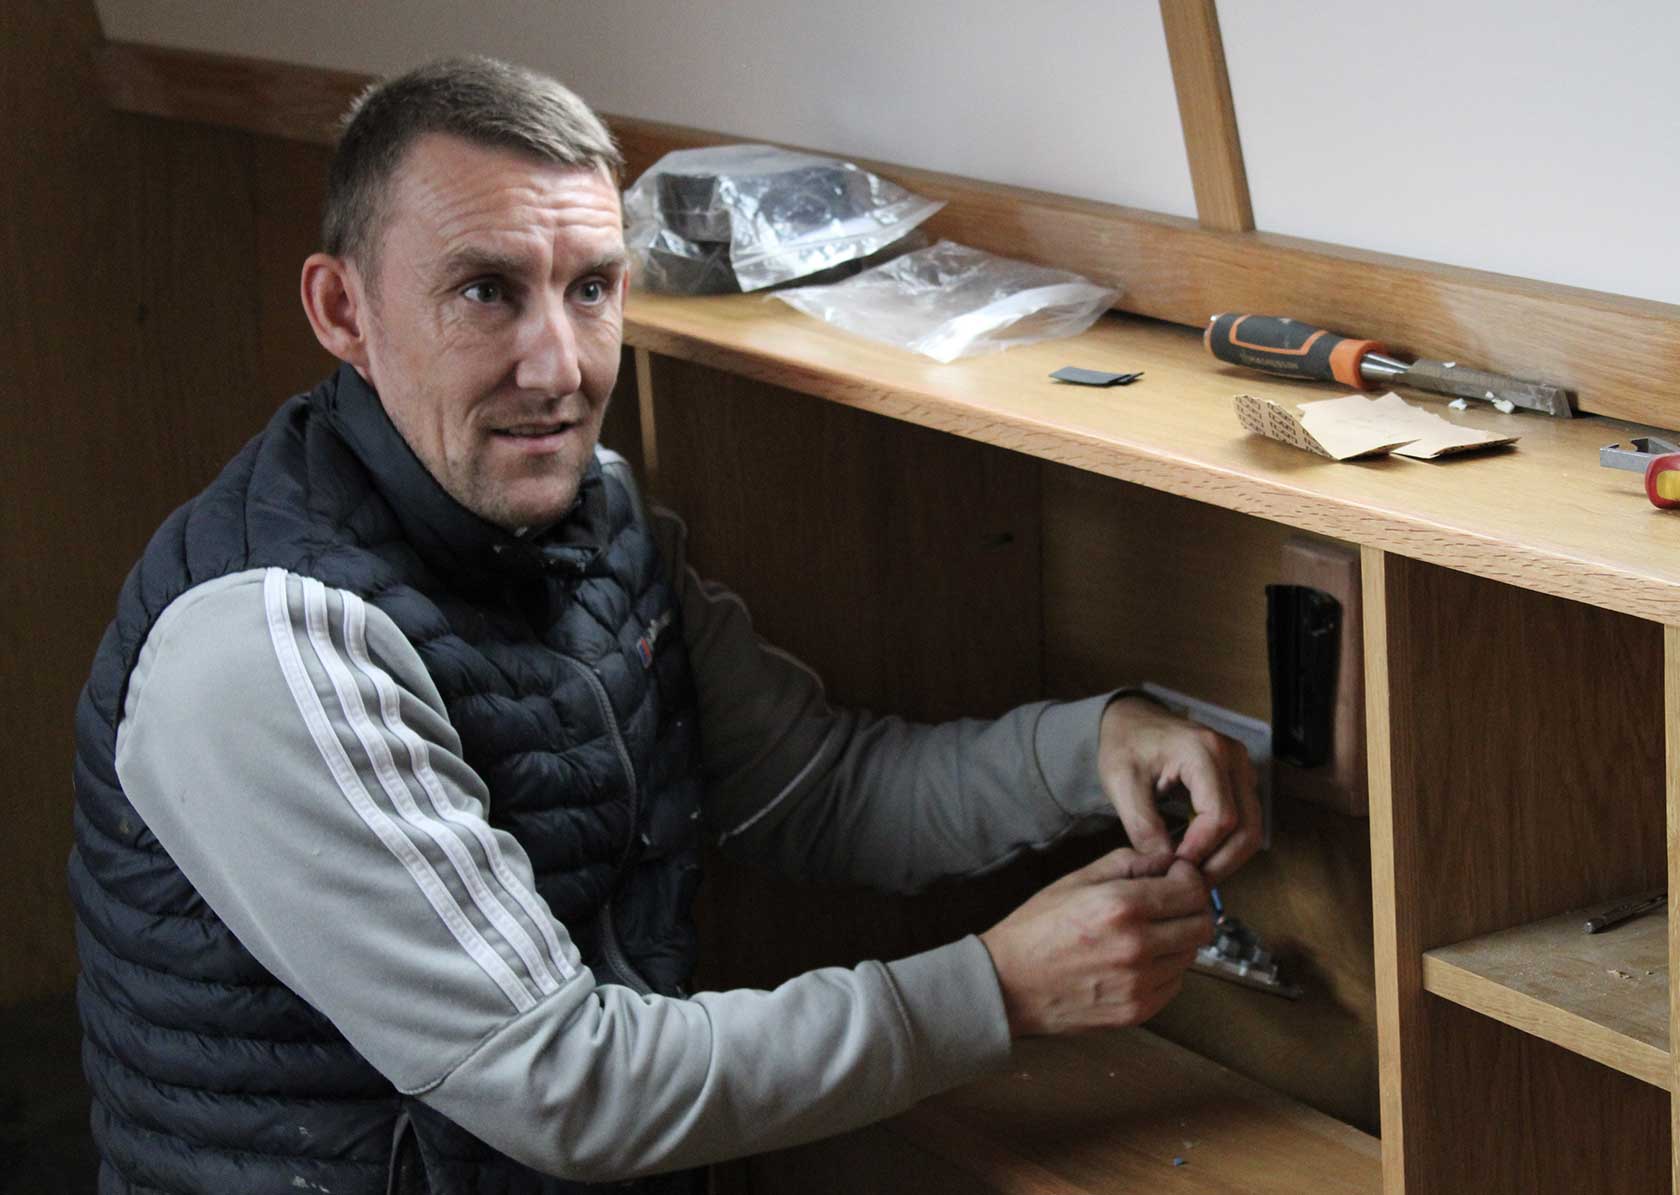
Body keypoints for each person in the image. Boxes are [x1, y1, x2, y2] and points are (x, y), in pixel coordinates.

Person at [70, 56, 1260, 1195]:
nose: (559, 365)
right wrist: (997, 990)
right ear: (344, 310)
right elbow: (568, 1084)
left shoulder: (594, 514)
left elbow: (819, 790)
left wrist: (1089, 744)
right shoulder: (269, 645)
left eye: (590, 287)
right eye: (486, 291)